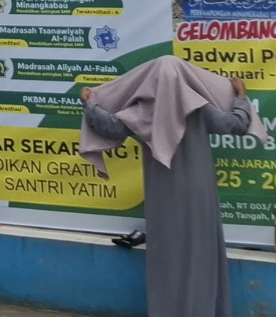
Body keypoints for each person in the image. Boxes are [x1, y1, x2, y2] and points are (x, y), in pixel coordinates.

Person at [79, 55, 263, 317]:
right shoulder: (197, 105)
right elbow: (236, 124)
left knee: (168, 256)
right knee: (200, 252)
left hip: (163, 196)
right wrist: (241, 96)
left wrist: (89, 103)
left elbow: (110, 126)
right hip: (199, 193)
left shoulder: (144, 109)